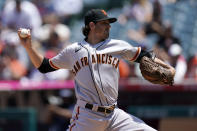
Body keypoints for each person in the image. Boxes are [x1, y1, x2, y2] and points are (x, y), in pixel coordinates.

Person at [18, 9, 175, 131]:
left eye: (109, 23)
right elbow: (44, 66)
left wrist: (168, 67)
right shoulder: (73, 50)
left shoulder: (117, 45)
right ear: (91, 25)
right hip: (87, 116)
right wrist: (29, 47)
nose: (108, 26)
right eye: (104, 23)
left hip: (114, 114)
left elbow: (144, 55)